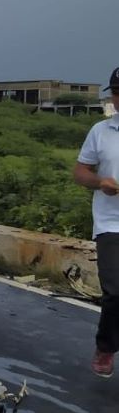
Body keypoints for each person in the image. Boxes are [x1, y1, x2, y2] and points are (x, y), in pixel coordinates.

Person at [73, 66, 119, 378]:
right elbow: (80, 172)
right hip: (111, 224)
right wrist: (100, 182)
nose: (118, 99)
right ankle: (106, 347)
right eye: (116, 93)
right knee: (115, 291)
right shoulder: (101, 131)